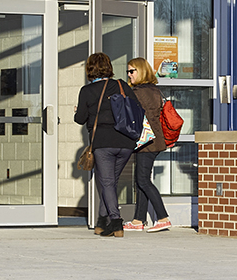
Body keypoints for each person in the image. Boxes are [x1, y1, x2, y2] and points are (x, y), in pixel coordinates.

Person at [74, 52, 136, 236]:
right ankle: (102, 222)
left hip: (103, 142)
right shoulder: (121, 85)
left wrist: (78, 111)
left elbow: (80, 119)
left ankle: (116, 222)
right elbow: (136, 108)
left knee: (107, 182)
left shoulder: (87, 91)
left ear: (89, 69)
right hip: (126, 142)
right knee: (111, 182)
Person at [124, 58, 172, 232]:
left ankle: (163, 218)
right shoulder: (154, 90)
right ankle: (138, 220)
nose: (129, 75)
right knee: (141, 180)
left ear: (142, 71)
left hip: (146, 142)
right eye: (128, 71)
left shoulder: (139, 92)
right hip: (154, 140)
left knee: (143, 180)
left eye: (132, 71)